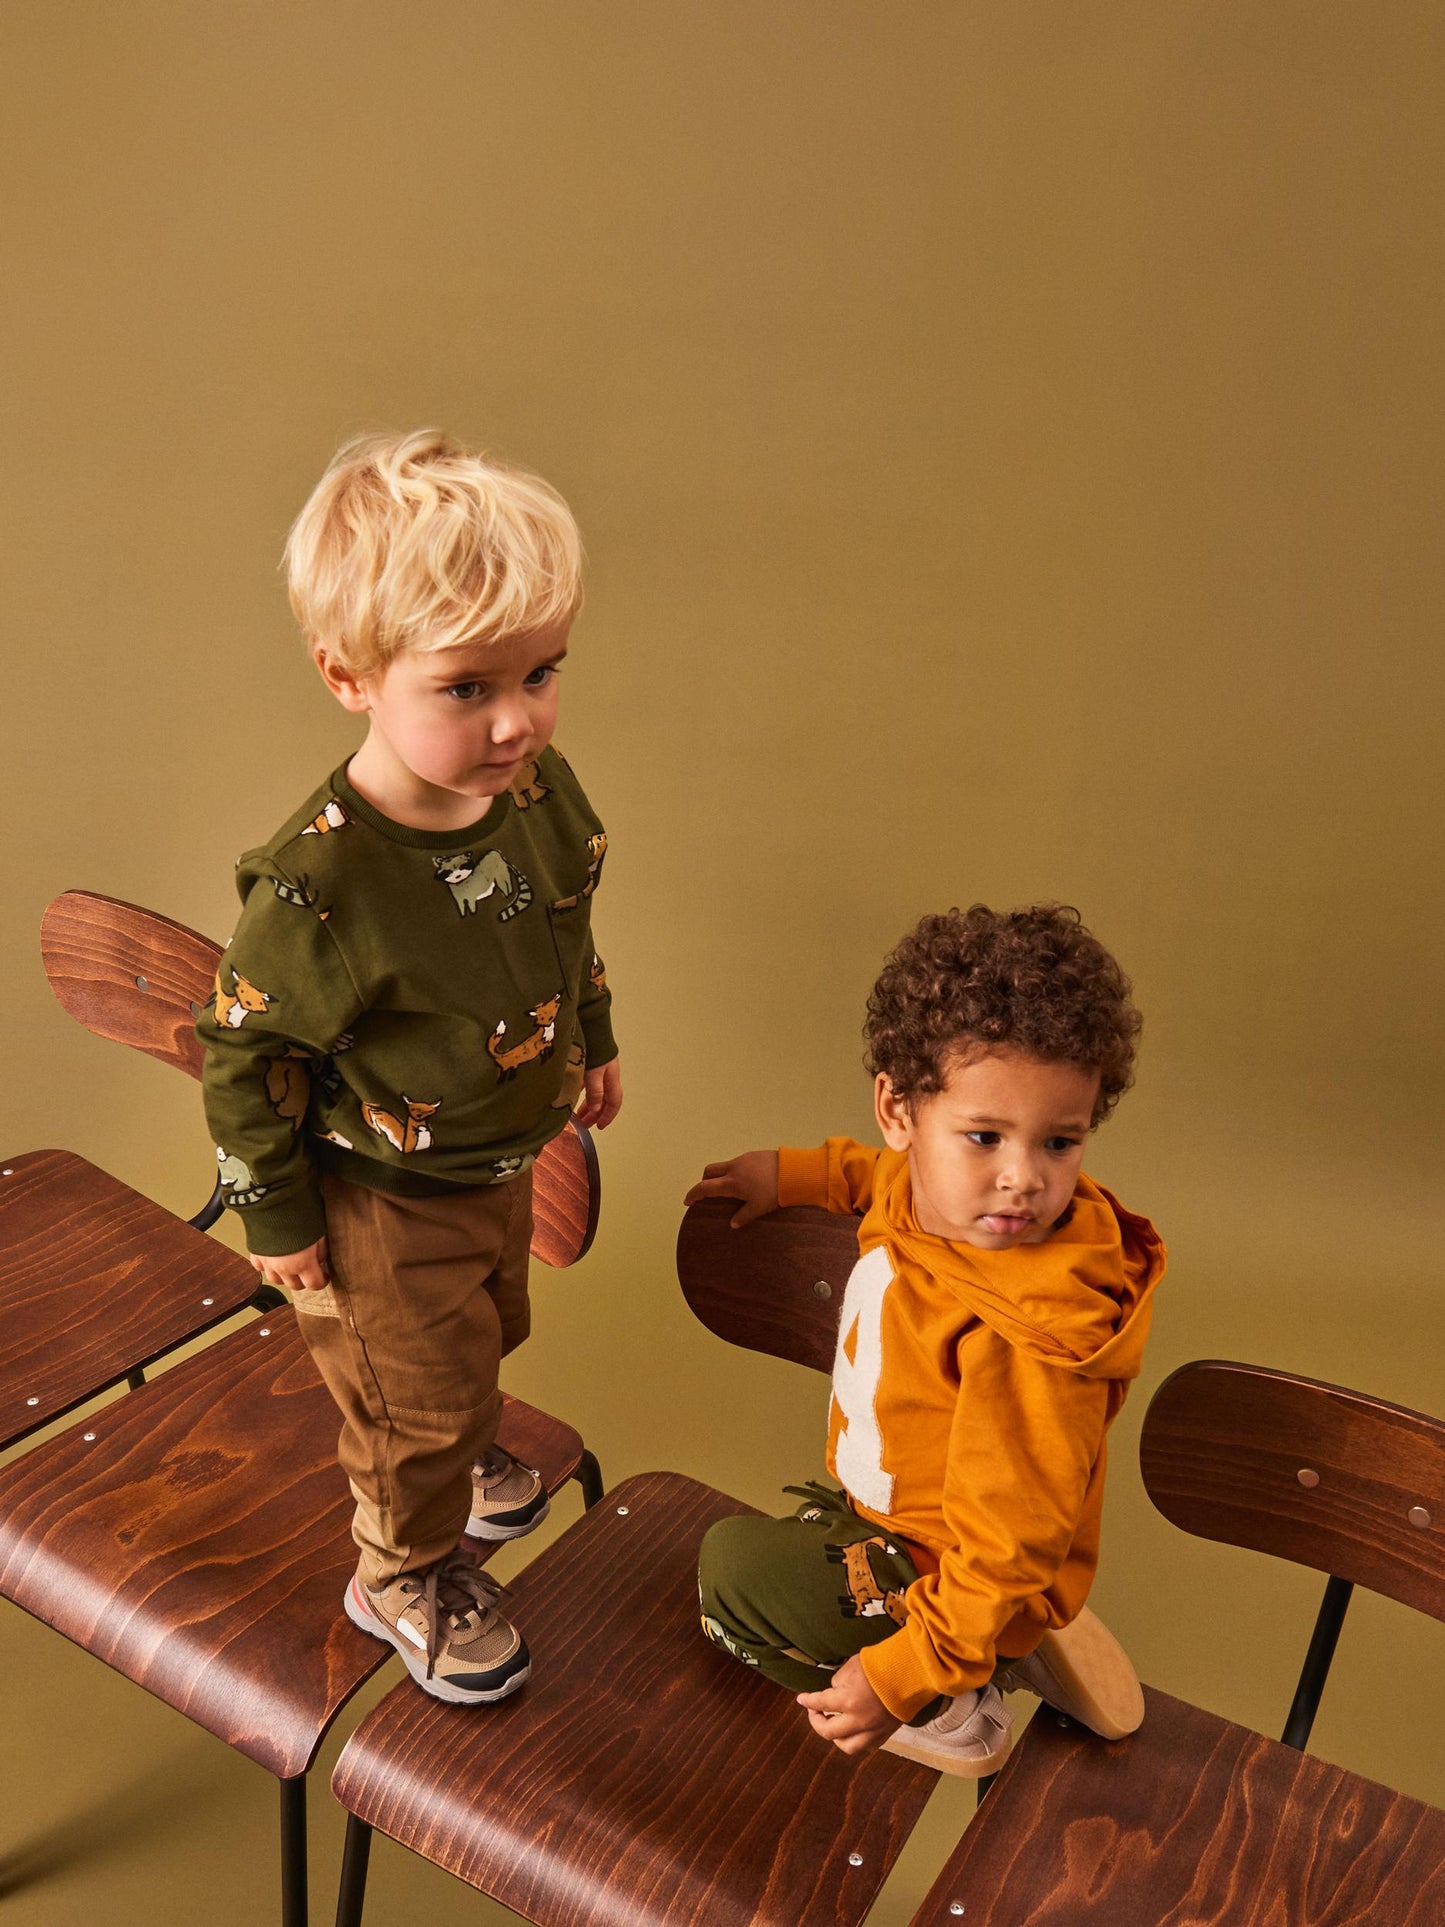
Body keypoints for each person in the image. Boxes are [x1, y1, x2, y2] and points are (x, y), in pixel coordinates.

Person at [199, 429, 621, 1704]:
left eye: (540, 672)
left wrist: (590, 1042)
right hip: (377, 1198)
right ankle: (401, 1569)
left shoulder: (533, 791)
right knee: (410, 1399)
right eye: (466, 687)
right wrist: (277, 1217)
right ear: (351, 676)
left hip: (491, 1161)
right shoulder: (321, 887)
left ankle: (449, 1451)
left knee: (486, 1333)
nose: (516, 719)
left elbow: (565, 924)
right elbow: (242, 1054)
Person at [687, 903, 1164, 1776]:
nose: (1022, 1178)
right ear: (898, 1110)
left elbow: (1008, 1541)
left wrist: (901, 1677)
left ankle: (956, 1700)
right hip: (909, 1516)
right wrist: (791, 1173)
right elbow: (879, 1177)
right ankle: (1002, 1634)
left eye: (1060, 1142)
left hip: (959, 1559)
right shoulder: (932, 1194)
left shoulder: (1030, 1336)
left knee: (731, 1579)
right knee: (812, 1522)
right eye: (984, 1136)